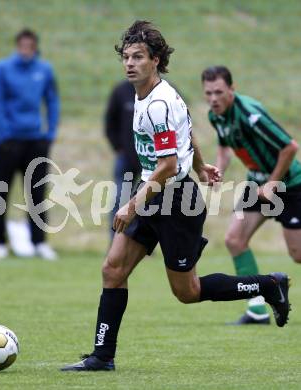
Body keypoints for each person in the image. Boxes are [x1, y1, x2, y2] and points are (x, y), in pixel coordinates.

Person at [61, 21, 291, 372]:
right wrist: (200, 165)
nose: (129, 63)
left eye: (138, 57)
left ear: (155, 60)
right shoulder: (148, 95)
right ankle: (102, 356)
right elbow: (188, 134)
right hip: (155, 192)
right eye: (126, 57)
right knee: (112, 269)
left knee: (188, 292)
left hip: (176, 201)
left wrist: (132, 203)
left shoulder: (158, 103)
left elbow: (168, 165)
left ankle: (269, 284)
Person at [202, 65, 301, 325]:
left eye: (219, 92)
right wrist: (218, 170)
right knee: (235, 239)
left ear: (232, 90)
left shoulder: (249, 115)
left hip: (290, 185)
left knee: (298, 254)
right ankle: (257, 310)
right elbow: (225, 147)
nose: (213, 99)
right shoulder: (216, 116)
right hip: (257, 184)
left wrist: (272, 183)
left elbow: (290, 147)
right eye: (208, 93)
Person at [0, 28, 59, 260]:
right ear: (17, 46)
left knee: (37, 194)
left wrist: (49, 132)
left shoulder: (44, 69)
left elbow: (52, 100)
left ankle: (39, 242)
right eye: (23, 45)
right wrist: (5, 133)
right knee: (1, 191)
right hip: (9, 142)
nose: (26, 50)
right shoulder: (2, 69)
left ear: (35, 47)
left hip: (36, 142)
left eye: (30, 46)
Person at [104, 79, 141, 238]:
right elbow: (109, 122)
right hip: (126, 158)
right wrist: (118, 147)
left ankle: (145, 243)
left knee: (157, 202)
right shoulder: (121, 91)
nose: (131, 64)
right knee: (120, 198)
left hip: (156, 161)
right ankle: (116, 241)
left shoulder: (164, 91)